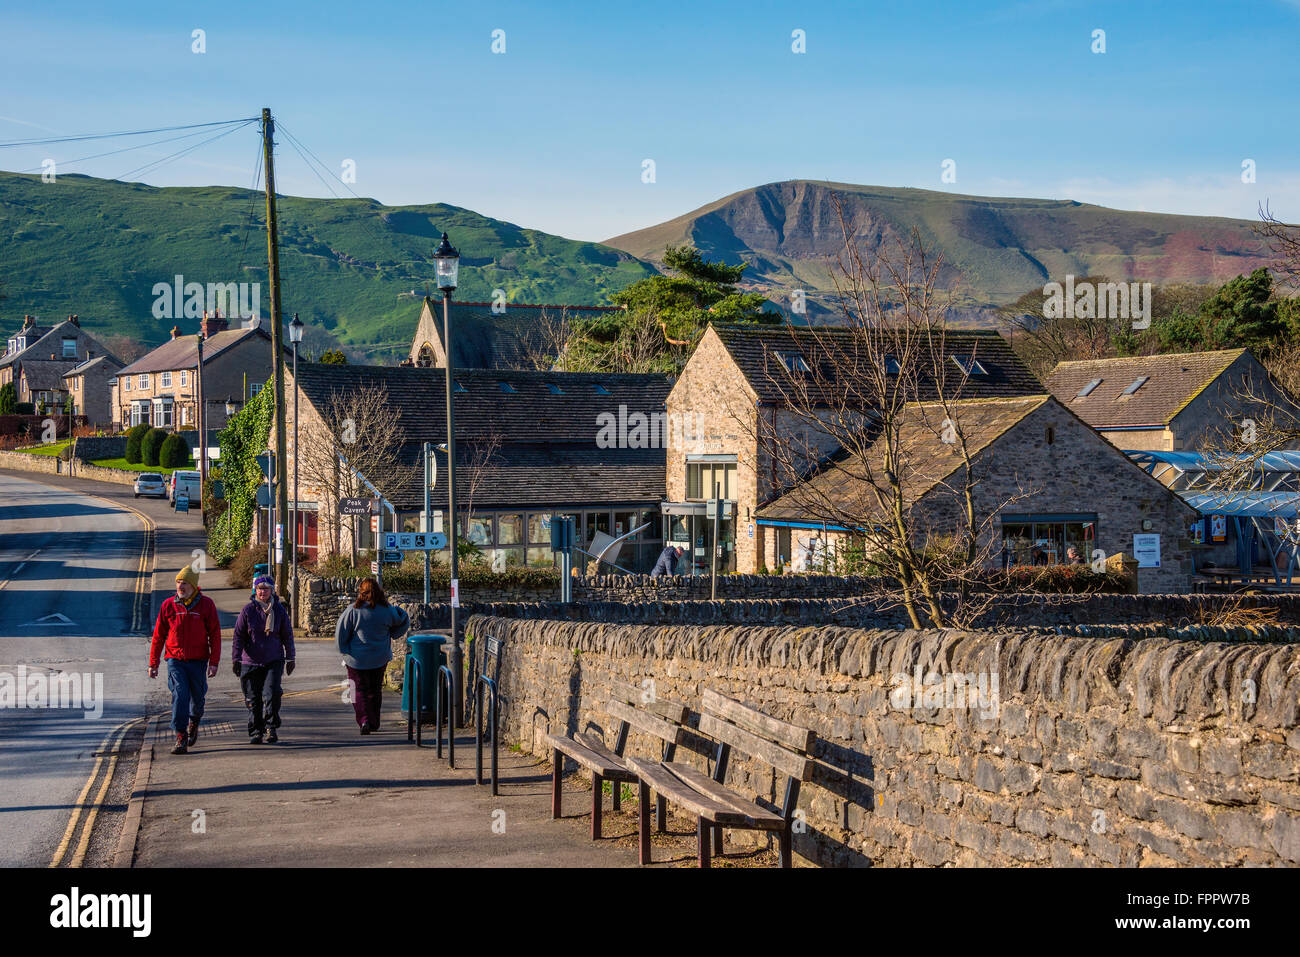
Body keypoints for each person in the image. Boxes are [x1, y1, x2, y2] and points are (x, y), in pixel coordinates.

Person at [149, 565, 221, 755]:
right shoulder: (168, 605)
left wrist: (214, 662)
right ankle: (180, 736)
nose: (180, 586)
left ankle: (194, 722)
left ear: (194, 586)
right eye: (179, 582)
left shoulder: (207, 605)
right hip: (175, 660)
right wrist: (153, 663)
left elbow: (215, 635)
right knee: (180, 695)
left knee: (197, 699)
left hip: (198, 661)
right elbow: (158, 636)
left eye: (185, 583)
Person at [335, 578, 409, 735]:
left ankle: (364, 721)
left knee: (357, 690)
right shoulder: (387, 610)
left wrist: (344, 650)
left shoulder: (353, 611)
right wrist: (395, 631)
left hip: (356, 659)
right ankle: (374, 722)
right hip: (379, 657)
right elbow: (401, 619)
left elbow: (341, 634)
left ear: (361, 592)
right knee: (375, 690)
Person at [232, 575, 296, 744]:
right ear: (255, 590)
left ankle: (271, 727)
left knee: (272, 694)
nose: (262, 592)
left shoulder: (279, 610)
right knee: (253, 698)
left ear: (271, 591)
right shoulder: (248, 610)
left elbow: (287, 635)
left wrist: (291, 657)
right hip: (250, 662)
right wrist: (236, 659)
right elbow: (238, 636)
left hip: (273, 660)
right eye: (260, 589)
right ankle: (255, 731)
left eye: (266, 589)